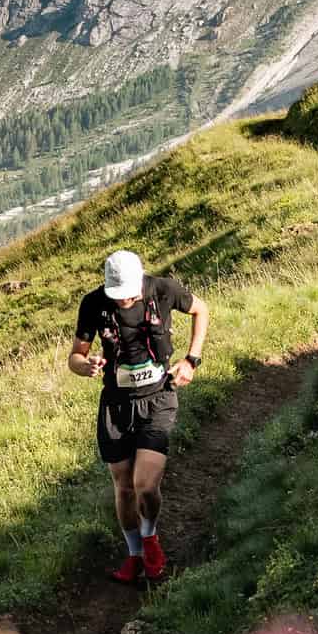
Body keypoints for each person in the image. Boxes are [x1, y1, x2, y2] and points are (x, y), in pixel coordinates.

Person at [69, 248, 209, 585]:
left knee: (145, 485)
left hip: (158, 398)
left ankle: (150, 538)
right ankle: (134, 556)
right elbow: (75, 356)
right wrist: (85, 366)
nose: (124, 301)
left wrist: (191, 360)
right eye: (118, 296)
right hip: (116, 406)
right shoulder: (93, 304)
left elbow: (201, 309)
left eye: (129, 294)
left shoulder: (162, 290)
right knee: (124, 488)